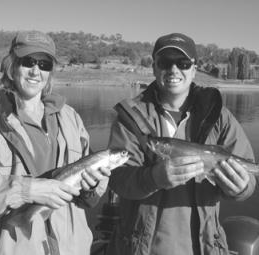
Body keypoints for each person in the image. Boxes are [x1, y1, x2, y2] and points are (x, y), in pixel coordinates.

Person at [106, 33, 256, 255]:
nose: (174, 70)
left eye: (183, 63)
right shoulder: (131, 117)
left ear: (194, 69)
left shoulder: (220, 117)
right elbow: (117, 179)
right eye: (165, 62)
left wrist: (241, 188)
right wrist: (153, 178)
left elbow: (249, 180)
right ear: (154, 68)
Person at [0, 30, 110, 255]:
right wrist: (25, 190)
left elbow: (88, 197)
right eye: (28, 61)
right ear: (12, 66)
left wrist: (93, 187)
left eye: (44, 64)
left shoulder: (71, 118)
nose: (35, 71)